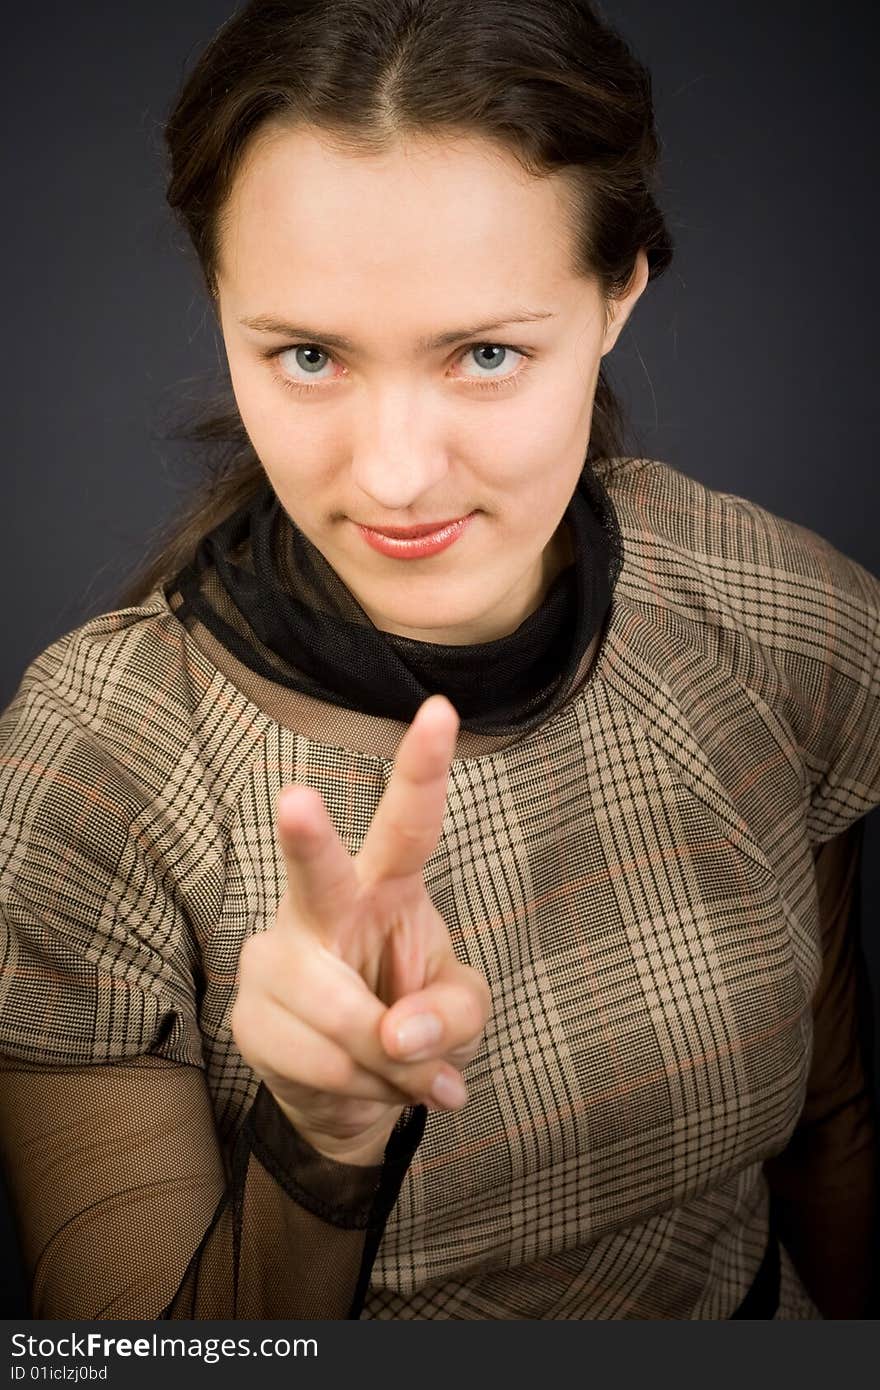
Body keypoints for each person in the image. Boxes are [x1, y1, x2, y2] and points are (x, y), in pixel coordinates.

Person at [0, 0, 877, 1321]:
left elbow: (835, 1116)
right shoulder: (94, 764)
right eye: (306, 354)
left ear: (618, 292)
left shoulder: (771, 613)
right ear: (222, 308)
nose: (397, 476)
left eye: (486, 353)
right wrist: (326, 1143)